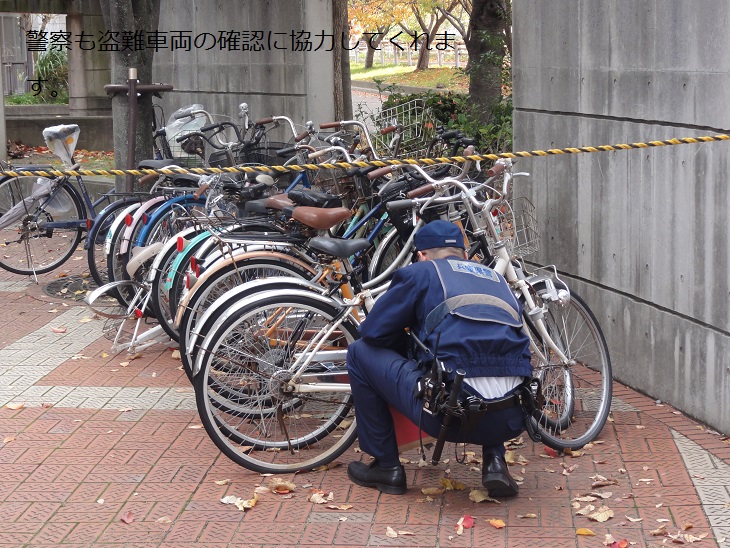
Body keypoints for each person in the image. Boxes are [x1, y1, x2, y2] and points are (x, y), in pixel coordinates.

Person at [346, 220, 533, 496]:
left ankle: (386, 467)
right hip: (511, 419)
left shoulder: (421, 273)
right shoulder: (496, 279)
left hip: (451, 418)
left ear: (421, 255)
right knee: (487, 351)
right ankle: (495, 462)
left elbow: (372, 333)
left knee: (359, 353)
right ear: (465, 255)